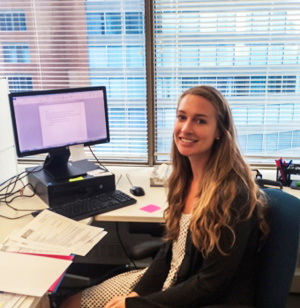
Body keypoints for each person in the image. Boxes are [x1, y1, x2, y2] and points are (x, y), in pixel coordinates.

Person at [61, 85, 269, 308]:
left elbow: (209, 285)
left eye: (200, 121)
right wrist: (136, 294)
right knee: (72, 303)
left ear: (219, 131)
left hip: (204, 298)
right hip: (174, 280)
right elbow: (170, 251)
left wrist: (136, 305)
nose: (186, 128)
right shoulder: (185, 178)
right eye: (182, 117)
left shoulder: (233, 196)